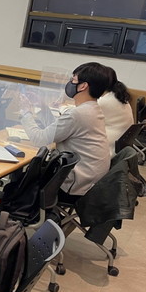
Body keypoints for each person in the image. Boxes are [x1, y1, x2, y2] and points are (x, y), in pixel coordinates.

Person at [20, 62, 111, 197]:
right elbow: (57, 132)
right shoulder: (92, 108)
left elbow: (39, 139)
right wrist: (43, 107)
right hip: (90, 179)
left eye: (73, 80)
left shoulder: (78, 114)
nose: (69, 83)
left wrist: (25, 113)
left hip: (75, 183)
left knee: (22, 183)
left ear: (83, 86)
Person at [98, 67, 134, 157]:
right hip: (118, 146)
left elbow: (78, 113)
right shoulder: (117, 96)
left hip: (106, 150)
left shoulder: (105, 101)